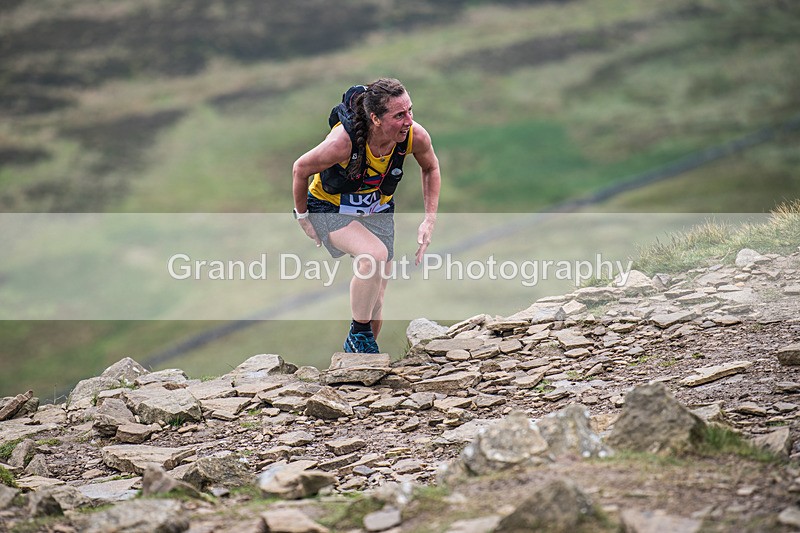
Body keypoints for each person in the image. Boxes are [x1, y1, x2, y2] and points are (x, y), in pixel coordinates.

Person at [291, 77, 441, 354]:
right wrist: (302, 217)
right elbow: (300, 168)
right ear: (376, 119)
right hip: (329, 207)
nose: (408, 120)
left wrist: (429, 219)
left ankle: (359, 359)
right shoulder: (341, 143)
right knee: (373, 255)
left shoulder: (413, 136)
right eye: (399, 115)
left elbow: (430, 167)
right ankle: (357, 334)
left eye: (410, 111)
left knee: (376, 299)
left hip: (377, 210)